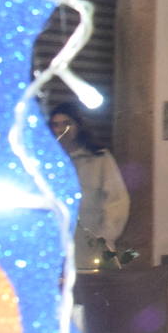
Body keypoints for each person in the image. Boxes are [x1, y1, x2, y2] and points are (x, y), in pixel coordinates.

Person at [49, 101, 130, 265]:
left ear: (78, 125)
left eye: (67, 123)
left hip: (91, 247)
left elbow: (117, 201)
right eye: (56, 125)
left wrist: (104, 237)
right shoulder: (45, 162)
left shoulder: (99, 159)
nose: (62, 129)